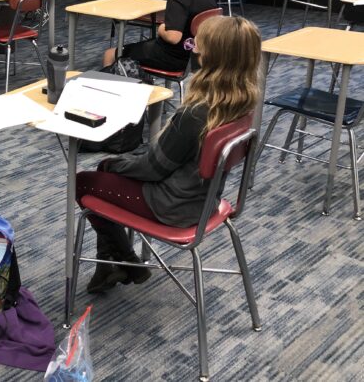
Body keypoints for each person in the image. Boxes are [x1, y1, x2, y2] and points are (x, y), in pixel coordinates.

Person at [78, 15, 262, 293]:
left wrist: (114, 163)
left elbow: (152, 169)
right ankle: (112, 265)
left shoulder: (197, 112)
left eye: (199, 45)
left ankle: (127, 261)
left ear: (214, 55)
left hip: (172, 207)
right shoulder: (242, 103)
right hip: (205, 201)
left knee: (86, 181)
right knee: (110, 170)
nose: (194, 49)